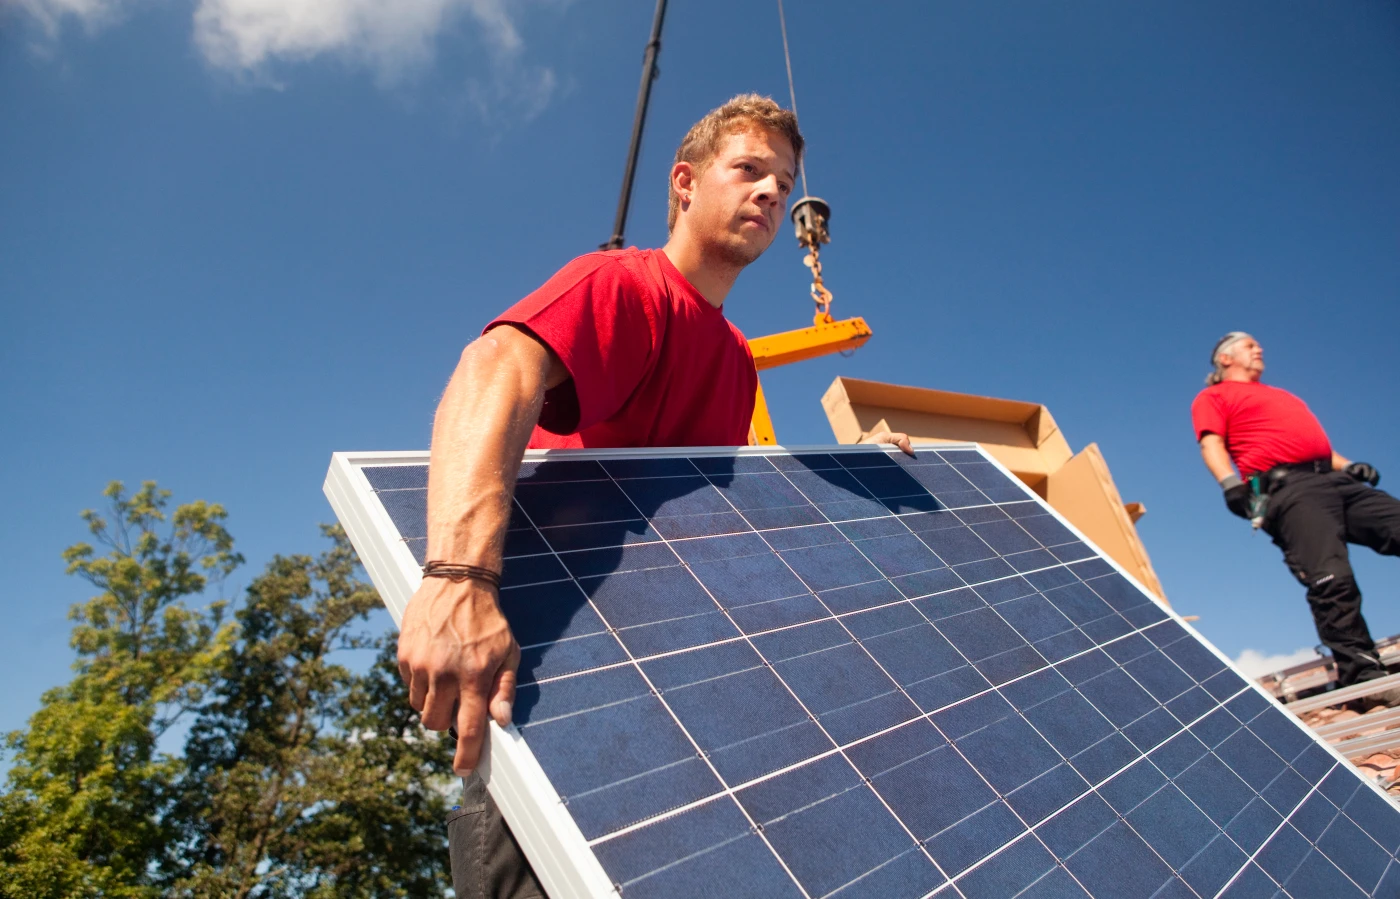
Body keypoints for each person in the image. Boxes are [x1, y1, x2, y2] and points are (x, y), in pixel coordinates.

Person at [395, 94, 911, 898]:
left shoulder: (736, 360)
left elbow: (726, 515)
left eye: (783, 179)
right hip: (554, 700)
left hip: (671, 711)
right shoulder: (624, 284)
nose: (773, 192)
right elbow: (494, 365)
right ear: (684, 182)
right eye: (748, 169)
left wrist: (858, 477)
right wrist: (458, 579)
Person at [1192, 331, 1400, 700]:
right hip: (1289, 491)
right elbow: (1212, 442)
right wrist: (1229, 484)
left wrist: (1351, 466)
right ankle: (1364, 678)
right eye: (1249, 345)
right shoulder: (1214, 397)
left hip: (1335, 480)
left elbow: (1314, 443)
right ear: (1225, 359)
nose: (1260, 349)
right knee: (1331, 578)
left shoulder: (1282, 395)